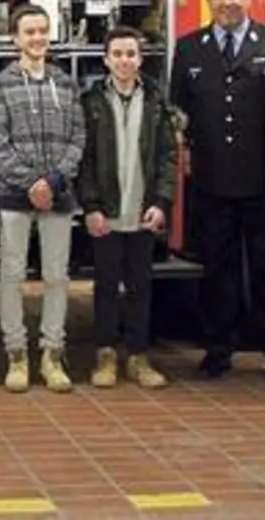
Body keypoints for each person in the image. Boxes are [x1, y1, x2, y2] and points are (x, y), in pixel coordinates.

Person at [169, 0, 265, 384]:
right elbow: (178, 112)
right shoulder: (188, 50)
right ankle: (217, 350)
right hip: (211, 180)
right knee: (216, 271)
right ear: (209, 2)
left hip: (262, 180)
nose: (227, 3)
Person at [0, 3, 85, 393]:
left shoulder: (67, 84)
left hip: (58, 196)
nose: (37, 38)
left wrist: (55, 181)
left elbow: (78, 139)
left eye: (43, 30)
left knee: (57, 276)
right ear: (15, 38)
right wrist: (31, 183)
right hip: (15, 196)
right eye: (29, 32)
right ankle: (16, 355)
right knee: (11, 276)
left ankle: (52, 354)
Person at [76, 26, 177, 390]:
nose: (124, 60)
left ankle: (138, 356)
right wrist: (90, 206)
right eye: (117, 54)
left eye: (131, 54)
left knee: (140, 287)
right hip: (105, 213)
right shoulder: (91, 103)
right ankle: (105, 355)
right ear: (105, 60)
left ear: (141, 58)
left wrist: (162, 202)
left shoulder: (155, 102)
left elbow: (168, 156)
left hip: (143, 212)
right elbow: (83, 160)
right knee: (104, 286)